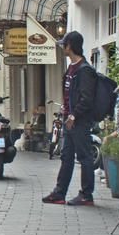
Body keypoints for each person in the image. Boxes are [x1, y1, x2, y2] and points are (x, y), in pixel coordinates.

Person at [43, 31, 98, 206]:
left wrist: (74, 115)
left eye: (64, 45)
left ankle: (86, 195)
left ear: (70, 46)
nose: (62, 48)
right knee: (66, 156)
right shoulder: (71, 69)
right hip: (69, 120)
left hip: (79, 121)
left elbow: (87, 99)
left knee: (84, 156)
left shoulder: (85, 70)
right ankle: (59, 193)